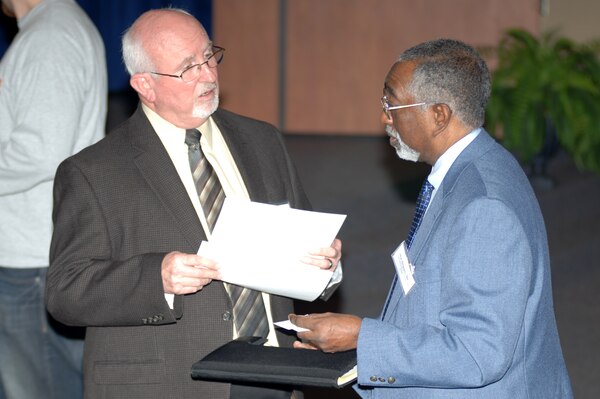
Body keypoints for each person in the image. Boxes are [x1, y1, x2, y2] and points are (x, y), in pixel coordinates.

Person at [45, 8, 341, 399]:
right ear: (145, 85)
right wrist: (157, 278)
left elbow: (305, 249)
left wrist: (326, 267)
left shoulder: (263, 142)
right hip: (171, 381)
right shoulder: (93, 172)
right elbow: (65, 292)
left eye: (208, 56)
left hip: (275, 371)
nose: (207, 74)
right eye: (187, 68)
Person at [289, 38, 573, 398]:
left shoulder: (484, 207)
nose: (384, 117)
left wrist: (363, 339)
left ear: (439, 114)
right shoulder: (477, 166)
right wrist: (357, 353)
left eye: (391, 103)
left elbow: (476, 353)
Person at [0, 0, 107, 398]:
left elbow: (41, 152)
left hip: (32, 260)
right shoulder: (52, 27)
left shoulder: (49, 36)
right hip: (38, 253)